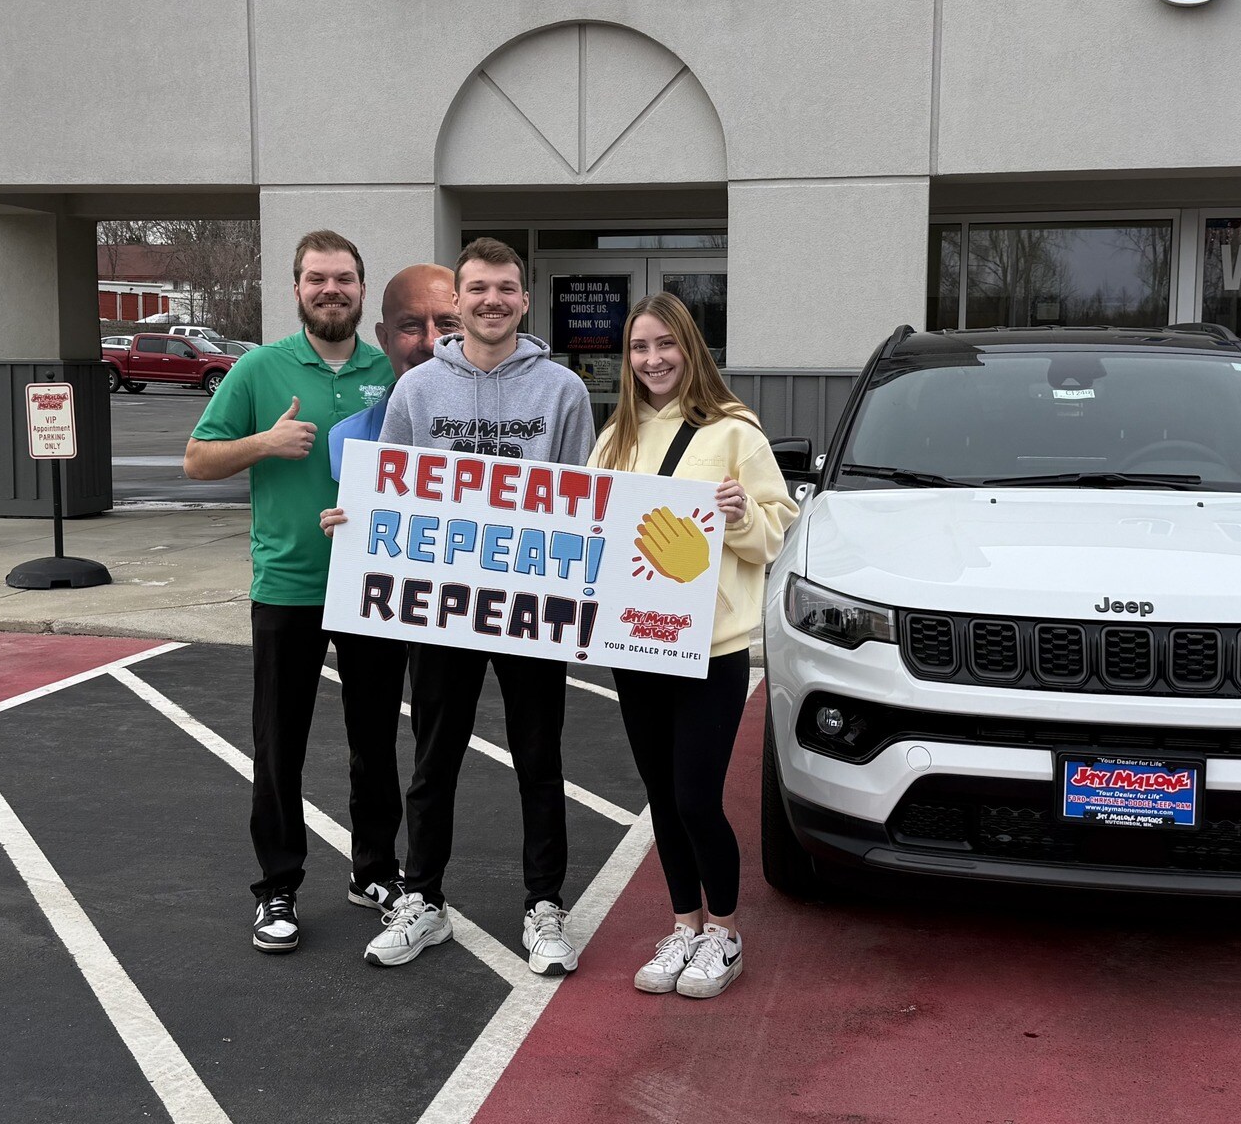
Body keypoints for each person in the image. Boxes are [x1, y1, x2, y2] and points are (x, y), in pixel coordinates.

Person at [324, 237, 595, 975]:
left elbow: (585, 504)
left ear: (524, 298)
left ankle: (544, 906)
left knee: (540, 757)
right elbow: (391, 492)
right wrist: (357, 521)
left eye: (505, 288)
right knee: (433, 756)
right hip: (442, 607)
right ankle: (424, 899)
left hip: (530, 604)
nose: (491, 301)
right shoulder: (417, 392)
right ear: (461, 299)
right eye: (478, 289)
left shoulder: (564, 392)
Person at [183, 229, 408, 954]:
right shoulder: (257, 368)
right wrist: (263, 444)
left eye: (343, 278)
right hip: (289, 585)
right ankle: (276, 885)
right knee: (280, 743)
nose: (331, 289)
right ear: (297, 288)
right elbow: (195, 460)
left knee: (376, 739)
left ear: (362, 289)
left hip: (374, 583)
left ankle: (374, 869)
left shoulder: (395, 371)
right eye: (317, 279)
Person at [588, 291, 795, 999]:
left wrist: (738, 517)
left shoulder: (734, 431)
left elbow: (777, 530)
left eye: (664, 345)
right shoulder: (613, 438)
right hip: (634, 644)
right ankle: (684, 923)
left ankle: (726, 932)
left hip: (711, 647)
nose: (652, 360)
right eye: (639, 348)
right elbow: (588, 531)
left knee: (696, 795)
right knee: (661, 797)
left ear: (690, 348)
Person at [328, 263, 460, 479]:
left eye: (448, 324)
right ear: (385, 340)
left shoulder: (514, 432)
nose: (431, 342)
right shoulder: (347, 439)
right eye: (411, 325)